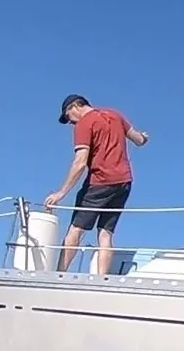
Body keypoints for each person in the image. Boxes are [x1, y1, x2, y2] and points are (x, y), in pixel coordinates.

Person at [46, 94, 148, 276]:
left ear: (75, 107)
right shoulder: (115, 115)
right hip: (124, 183)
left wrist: (61, 193)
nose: (71, 123)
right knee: (105, 233)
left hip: (99, 182)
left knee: (76, 229)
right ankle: (102, 279)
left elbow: (80, 162)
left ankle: (59, 275)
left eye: (69, 117)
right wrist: (144, 137)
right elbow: (139, 140)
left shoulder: (85, 123)